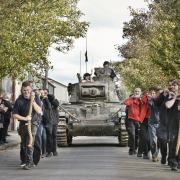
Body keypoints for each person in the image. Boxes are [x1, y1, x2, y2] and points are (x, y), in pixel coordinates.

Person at [12, 81, 42, 170]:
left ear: (31, 90)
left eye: (28, 90)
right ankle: (25, 160)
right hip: (23, 123)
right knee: (24, 143)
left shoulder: (35, 98)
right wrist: (25, 118)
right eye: (24, 90)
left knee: (30, 142)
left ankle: (30, 162)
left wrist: (32, 102)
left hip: (34, 123)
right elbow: (14, 115)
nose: (26, 92)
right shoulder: (19, 100)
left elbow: (39, 111)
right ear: (22, 90)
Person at [165, 79, 180, 171]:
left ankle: (178, 162)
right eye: (172, 85)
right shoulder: (169, 95)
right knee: (173, 142)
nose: (173, 87)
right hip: (173, 122)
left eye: (175, 85)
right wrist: (175, 98)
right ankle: (173, 162)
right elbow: (168, 105)